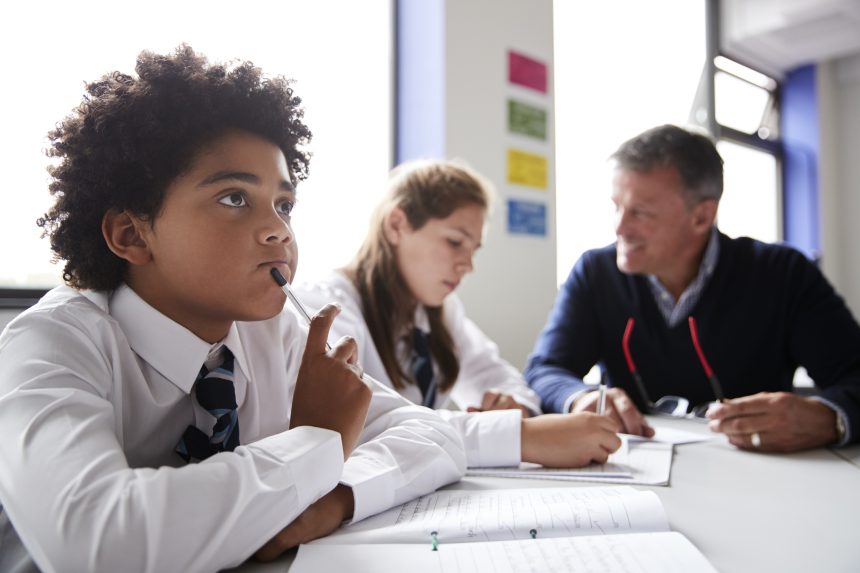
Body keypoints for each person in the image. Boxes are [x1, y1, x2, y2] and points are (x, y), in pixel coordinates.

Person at [0, 45, 466, 573]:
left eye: (284, 205)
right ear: (131, 234)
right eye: (234, 199)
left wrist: (335, 499)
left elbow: (434, 435)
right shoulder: (50, 344)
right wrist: (317, 443)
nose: (280, 230)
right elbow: (97, 543)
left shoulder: (277, 334)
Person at [525, 123, 860, 452]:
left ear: (702, 217)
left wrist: (827, 418)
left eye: (640, 212)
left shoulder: (784, 274)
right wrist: (579, 397)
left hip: (758, 476)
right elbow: (545, 370)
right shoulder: (595, 272)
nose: (619, 226)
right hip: (633, 474)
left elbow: (854, 375)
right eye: (616, 206)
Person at [294, 159, 621, 469]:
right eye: (455, 242)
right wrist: (518, 437)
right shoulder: (328, 307)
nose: (468, 265)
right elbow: (368, 423)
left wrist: (511, 406)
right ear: (396, 225)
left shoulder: (439, 311)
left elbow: (501, 377)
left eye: (473, 249)